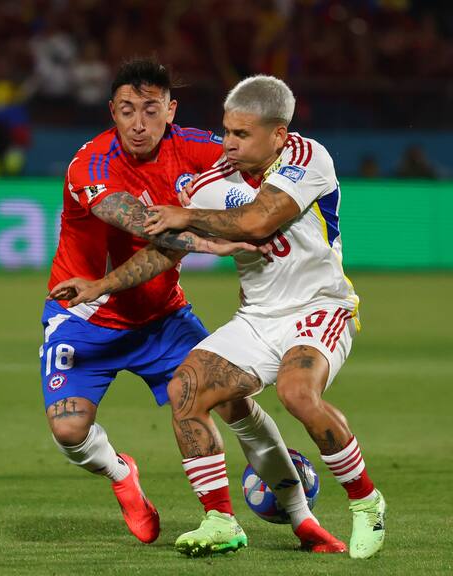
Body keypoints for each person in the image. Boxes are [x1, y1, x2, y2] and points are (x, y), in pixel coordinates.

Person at [53, 75, 386, 560]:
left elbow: (258, 220)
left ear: (278, 134)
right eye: (226, 131)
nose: (227, 144)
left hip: (320, 307)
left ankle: (366, 501)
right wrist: (101, 285)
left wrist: (185, 216)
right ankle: (220, 520)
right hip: (257, 318)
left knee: (296, 392)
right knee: (185, 388)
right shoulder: (209, 185)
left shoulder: (307, 157)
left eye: (241, 135)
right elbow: (166, 251)